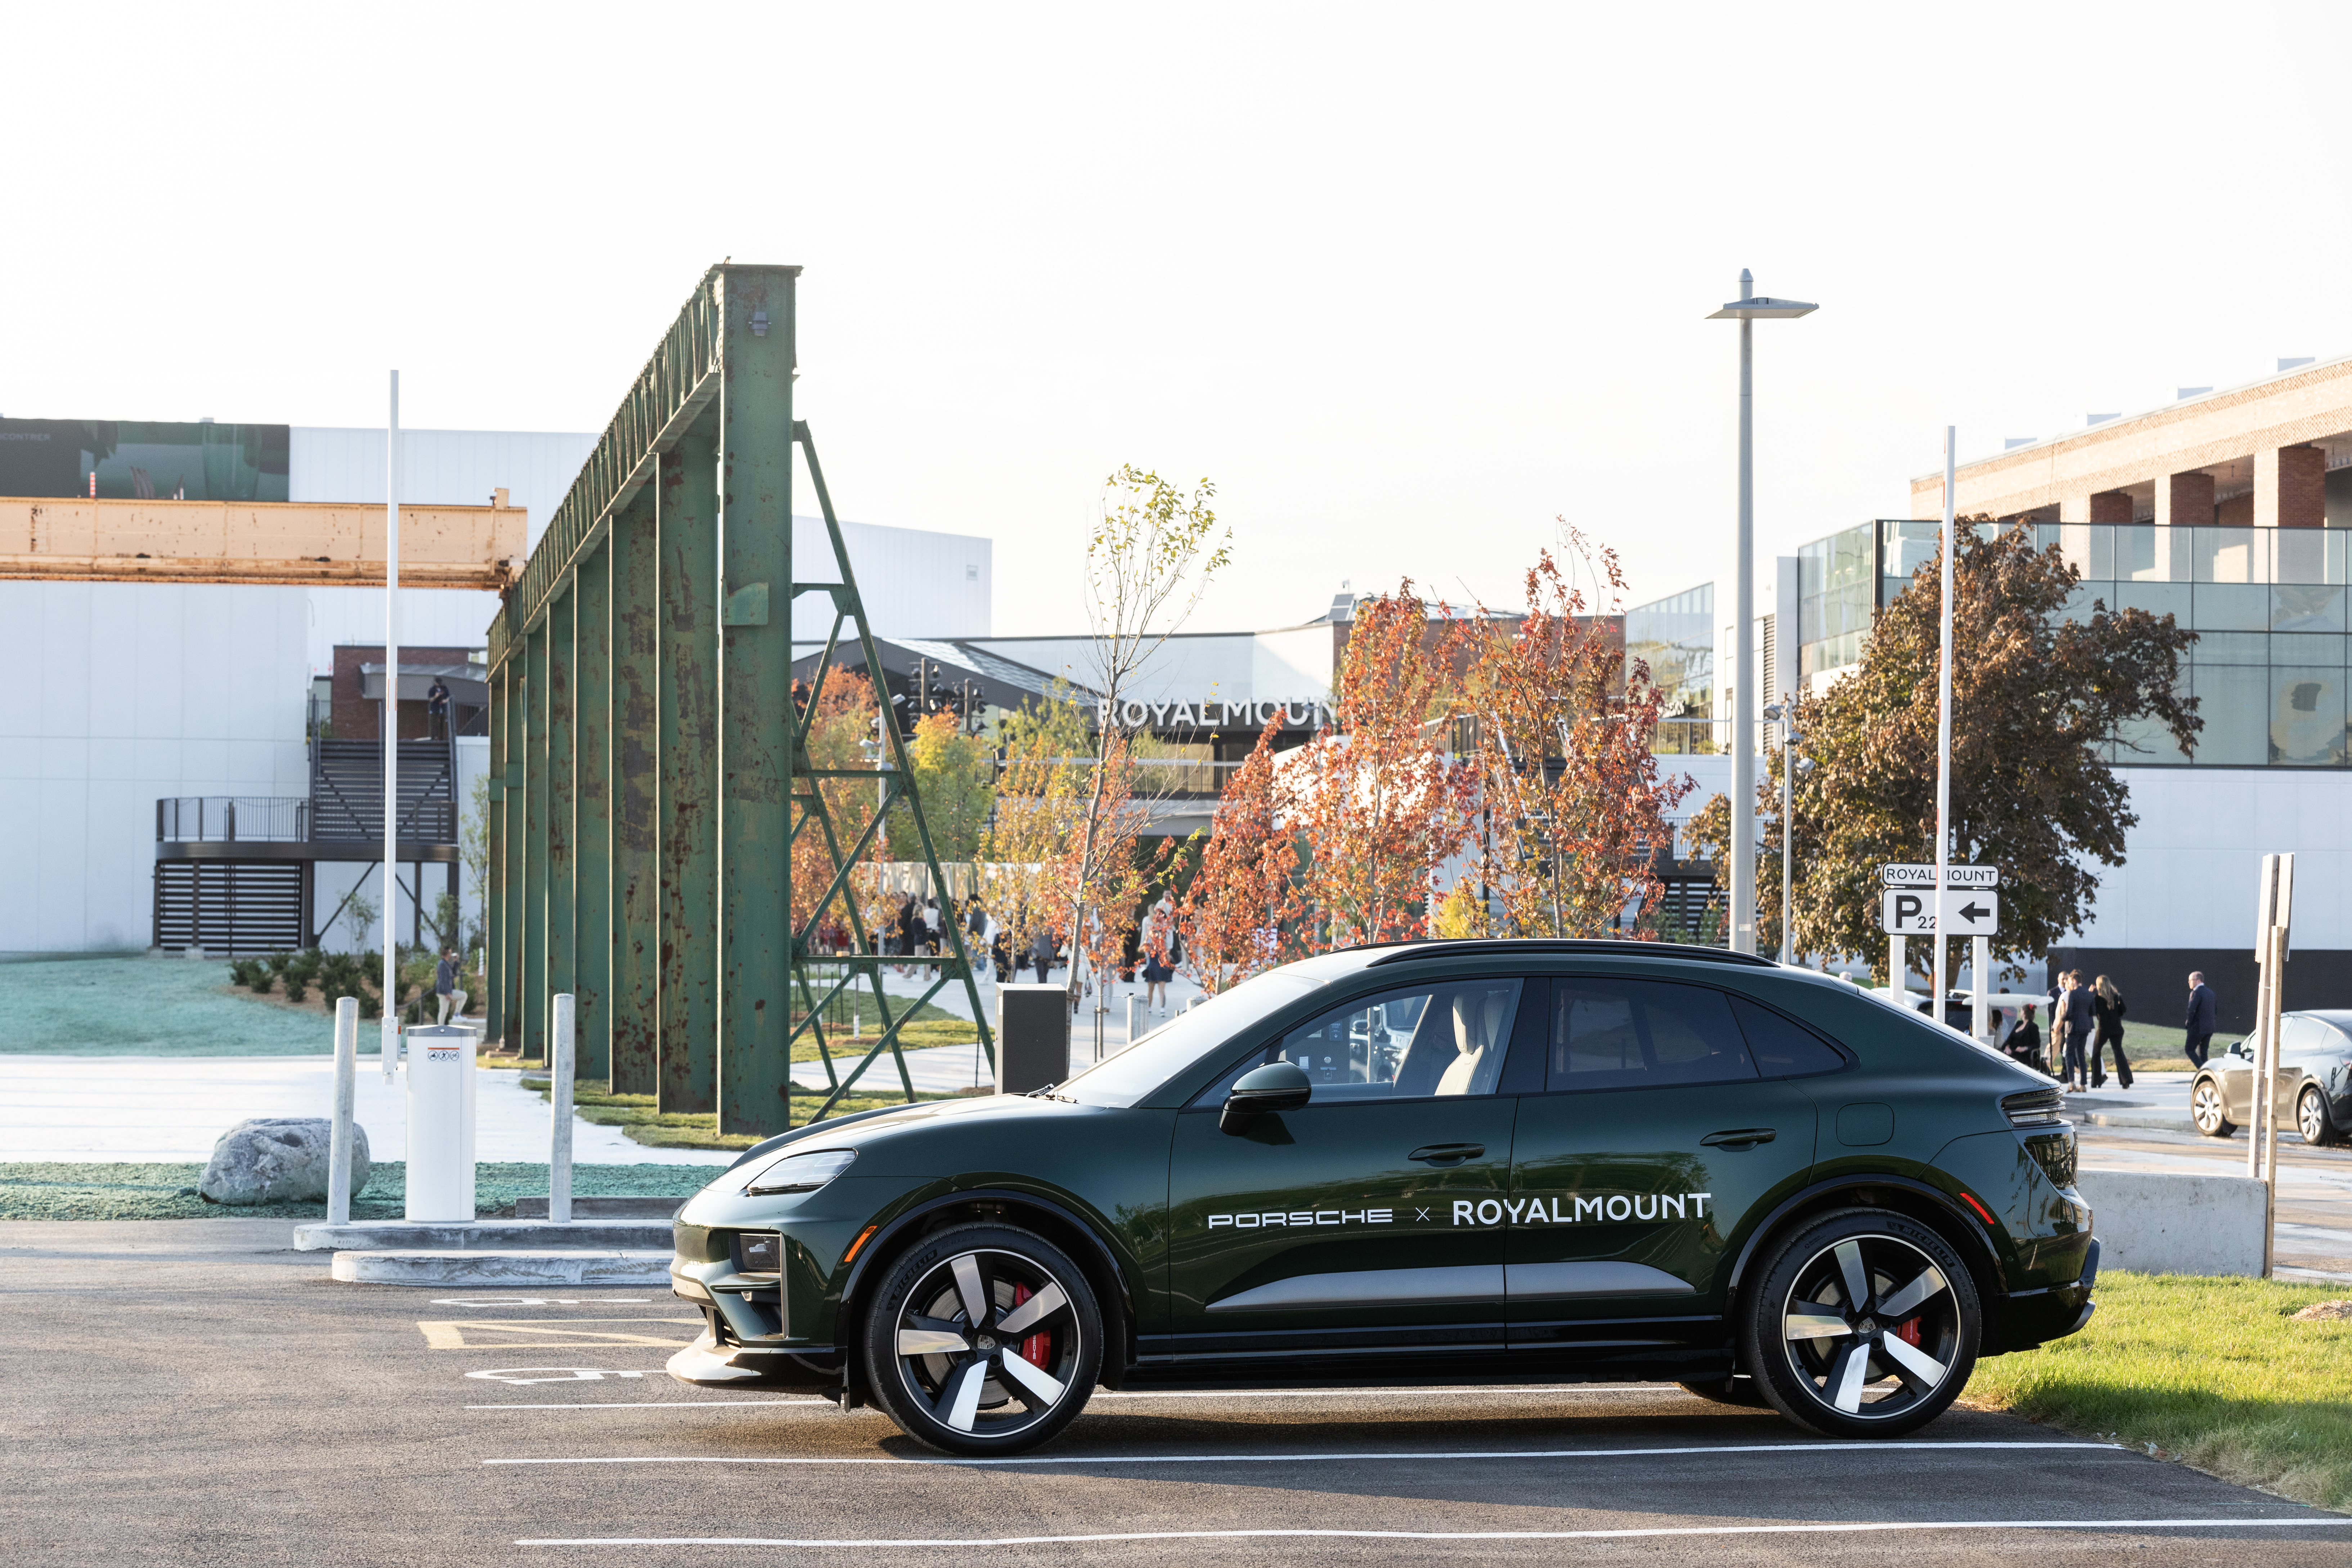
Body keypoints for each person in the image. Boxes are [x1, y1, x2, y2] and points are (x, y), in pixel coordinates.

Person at [2090, 975, 2132, 1089]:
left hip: (2104, 1029)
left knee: (2096, 1052)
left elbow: (2091, 1012)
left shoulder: (2097, 999)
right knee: (2118, 1052)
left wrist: (2090, 994)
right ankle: (2126, 1080)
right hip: (2117, 1028)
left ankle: (2096, 1081)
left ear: (2099, 986)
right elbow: (2123, 1011)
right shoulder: (2116, 997)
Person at [2056, 971, 2095, 1091]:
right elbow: (2092, 1012)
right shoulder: (2089, 995)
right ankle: (2083, 1084)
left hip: (2073, 1028)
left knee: (2069, 1054)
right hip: (2085, 1028)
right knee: (2081, 1055)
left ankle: (2072, 1083)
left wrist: (2062, 1017)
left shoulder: (2072, 994)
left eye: (2070, 982)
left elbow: (2069, 1013)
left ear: (2074, 981)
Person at [2184, 971, 2217, 1068]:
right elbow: (2215, 1011)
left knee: (2189, 1049)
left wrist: (2189, 1024)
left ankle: (2202, 1070)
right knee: (2204, 1053)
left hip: (2198, 1028)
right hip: (2209, 1028)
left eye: (2191, 980)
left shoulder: (2196, 993)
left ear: (2198, 981)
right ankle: (2207, 1072)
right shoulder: (2211, 993)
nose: (2189, 982)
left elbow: (2191, 1010)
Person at [2005, 1003, 2044, 1074]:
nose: (2020, 1012)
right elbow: (2010, 1039)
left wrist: (2025, 1048)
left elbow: (2037, 1044)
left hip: (2023, 1054)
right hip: (2012, 1051)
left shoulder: (2033, 1027)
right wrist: (2007, 1047)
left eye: (2021, 1010)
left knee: (2012, 1061)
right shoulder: (2019, 1024)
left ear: (2024, 1012)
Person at [434, 946, 467, 1025]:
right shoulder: (442, 964)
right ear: (448, 954)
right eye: (450, 952)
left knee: (463, 996)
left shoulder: (446, 964)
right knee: (443, 1011)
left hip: (448, 991)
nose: (451, 954)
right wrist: (447, 993)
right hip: (444, 992)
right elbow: (443, 980)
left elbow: (454, 974)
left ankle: (456, 1015)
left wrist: (456, 962)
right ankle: (440, 1028)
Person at [425, 676, 452, 741]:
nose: (438, 685)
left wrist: (445, 701)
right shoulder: (432, 689)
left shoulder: (445, 688)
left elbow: (448, 697)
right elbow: (431, 700)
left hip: (443, 709)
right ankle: (433, 739)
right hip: (435, 710)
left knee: (442, 726)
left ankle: (442, 740)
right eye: (437, 683)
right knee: (434, 726)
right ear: (435, 683)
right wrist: (436, 697)